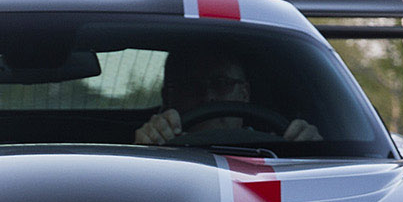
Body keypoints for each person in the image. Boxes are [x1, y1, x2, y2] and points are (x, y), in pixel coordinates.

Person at [133, 49, 321, 147]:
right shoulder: (158, 152)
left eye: (222, 83)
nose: (208, 96)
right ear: (169, 96)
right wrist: (144, 152)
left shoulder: (282, 149)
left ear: (244, 93)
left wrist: (313, 152)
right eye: (191, 85)